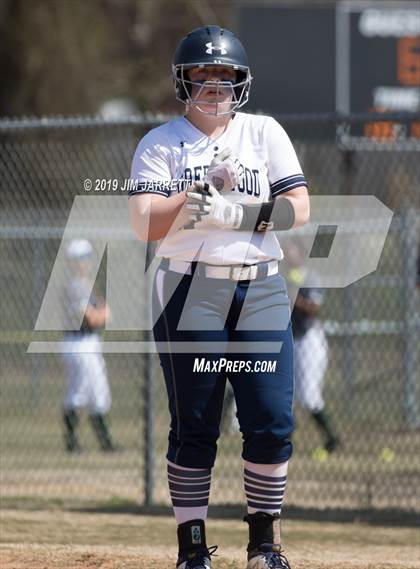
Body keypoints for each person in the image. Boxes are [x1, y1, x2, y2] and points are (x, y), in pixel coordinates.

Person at [128, 26, 310, 569]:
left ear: (241, 82)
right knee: (196, 424)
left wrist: (238, 214)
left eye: (226, 76)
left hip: (260, 286)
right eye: (203, 76)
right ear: (183, 82)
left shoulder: (264, 133)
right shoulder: (160, 142)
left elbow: (298, 210)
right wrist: (198, 190)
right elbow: (144, 223)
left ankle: (264, 543)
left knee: (272, 419)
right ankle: (191, 549)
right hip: (190, 289)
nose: (215, 85)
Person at [61, 239, 116, 453]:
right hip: (78, 343)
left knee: (98, 393)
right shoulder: (75, 287)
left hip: (89, 343)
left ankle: (105, 443)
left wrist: (102, 314)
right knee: (79, 393)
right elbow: (94, 318)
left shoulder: (86, 285)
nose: (86, 263)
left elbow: (106, 313)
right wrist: (101, 314)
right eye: (82, 259)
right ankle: (73, 443)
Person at [285, 253, 340, 455]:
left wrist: (295, 298)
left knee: (308, 396)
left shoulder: (310, 277)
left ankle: (332, 439)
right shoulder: (284, 276)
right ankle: (285, 443)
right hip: (289, 339)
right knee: (286, 395)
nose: (288, 253)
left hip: (309, 340)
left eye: (293, 249)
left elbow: (315, 308)